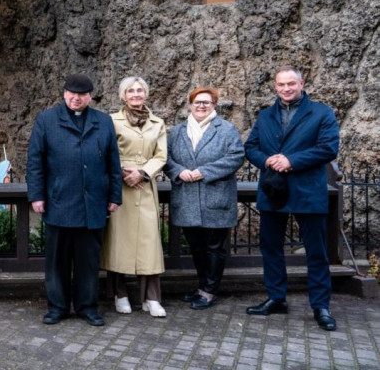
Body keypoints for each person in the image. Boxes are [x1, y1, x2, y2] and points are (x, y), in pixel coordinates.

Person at [244, 66, 340, 331]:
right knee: (271, 248)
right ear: (275, 87)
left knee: (316, 252)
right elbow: (251, 147)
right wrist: (267, 160)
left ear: (301, 83)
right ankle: (276, 298)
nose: (286, 89)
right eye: (281, 85)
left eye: (291, 84)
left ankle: (321, 306)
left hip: (307, 190)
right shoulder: (265, 115)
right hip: (273, 190)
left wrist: (291, 160)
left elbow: (328, 148)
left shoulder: (321, 112)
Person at [27, 74, 122, 327]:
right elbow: (35, 162)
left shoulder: (103, 121)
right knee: (57, 261)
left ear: (90, 96)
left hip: (93, 204)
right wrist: (36, 195)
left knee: (88, 262)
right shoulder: (46, 120)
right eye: (71, 93)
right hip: (59, 201)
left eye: (82, 94)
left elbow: (113, 162)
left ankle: (87, 307)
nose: (76, 98)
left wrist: (114, 195)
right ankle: (57, 307)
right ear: (64, 93)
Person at [163, 87, 245, 310]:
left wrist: (205, 171)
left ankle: (210, 291)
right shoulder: (178, 131)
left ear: (214, 105)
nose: (201, 106)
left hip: (215, 197)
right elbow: (165, 157)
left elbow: (236, 156)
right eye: (197, 102)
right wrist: (178, 171)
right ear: (190, 105)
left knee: (214, 247)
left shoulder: (226, 130)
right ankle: (201, 287)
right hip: (187, 197)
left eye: (207, 103)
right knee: (196, 247)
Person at [102, 77, 168, 317]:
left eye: (140, 90)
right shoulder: (111, 120)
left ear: (146, 94)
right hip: (119, 186)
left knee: (149, 242)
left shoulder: (157, 123)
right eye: (131, 90)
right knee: (120, 241)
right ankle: (120, 294)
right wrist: (122, 173)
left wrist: (142, 173)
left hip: (145, 185)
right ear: (123, 95)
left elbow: (161, 156)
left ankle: (151, 298)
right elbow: (106, 151)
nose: (136, 94)